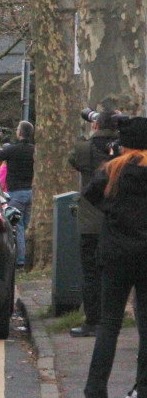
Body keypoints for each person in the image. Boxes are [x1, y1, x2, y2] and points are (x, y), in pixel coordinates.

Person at [81, 117, 147, 398]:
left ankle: (96, 393)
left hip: (116, 252)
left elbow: (91, 195)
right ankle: (142, 392)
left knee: (109, 323)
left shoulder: (112, 170)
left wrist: (113, 211)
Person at [68, 110, 120, 337]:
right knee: (114, 275)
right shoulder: (124, 150)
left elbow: (73, 161)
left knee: (91, 274)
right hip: (117, 222)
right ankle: (111, 321)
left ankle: (93, 322)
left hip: (90, 221)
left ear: (96, 125)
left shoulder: (83, 149)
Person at [0, 121, 35, 269]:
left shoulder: (14, 150)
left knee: (18, 226)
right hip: (32, 191)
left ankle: (21, 259)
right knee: (28, 225)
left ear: (20, 133)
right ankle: (30, 258)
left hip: (16, 192)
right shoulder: (34, 150)